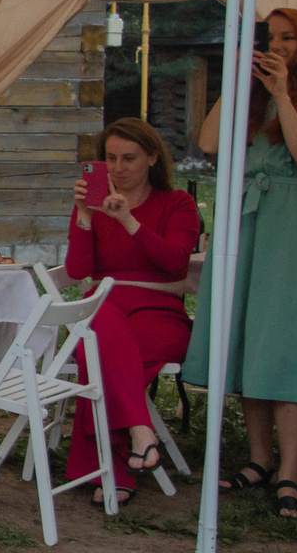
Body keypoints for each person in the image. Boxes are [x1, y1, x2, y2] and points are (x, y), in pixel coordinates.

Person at [178, 7, 297, 518]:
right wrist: (239, 81)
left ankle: (290, 471)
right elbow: (209, 142)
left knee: (286, 336)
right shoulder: (249, 98)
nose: (277, 46)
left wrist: (282, 95)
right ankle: (258, 459)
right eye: (269, 38)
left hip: (294, 219)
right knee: (247, 333)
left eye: (288, 38)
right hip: (243, 217)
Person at [63, 118, 202, 504]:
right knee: (100, 322)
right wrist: (85, 217)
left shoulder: (178, 203)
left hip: (160, 313)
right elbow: (77, 271)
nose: (120, 168)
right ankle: (141, 435)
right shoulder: (93, 206)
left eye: (130, 158)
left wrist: (127, 219)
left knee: (98, 348)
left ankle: (113, 467)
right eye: (111, 158)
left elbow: (176, 263)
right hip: (109, 309)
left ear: (153, 158)